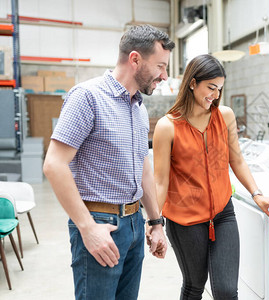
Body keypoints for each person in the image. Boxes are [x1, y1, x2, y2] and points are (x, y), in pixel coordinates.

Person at [43, 25, 175, 300]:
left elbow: (143, 167)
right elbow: (54, 165)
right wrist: (87, 228)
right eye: (160, 66)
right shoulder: (87, 97)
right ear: (135, 59)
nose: (164, 75)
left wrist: (155, 222)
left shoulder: (138, 107)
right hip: (100, 223)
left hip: (134, 223)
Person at [152, 54, 269, 299]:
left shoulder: (224, 116)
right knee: (194, 286)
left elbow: (236, 159)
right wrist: (154, 224)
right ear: (192, 83)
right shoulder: (167, 126)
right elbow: (160, 181)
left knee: (226, 290)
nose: (215, 95)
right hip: (185, 221)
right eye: (210, 87)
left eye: (219, 89)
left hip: (223, 214)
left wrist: (257, 195)